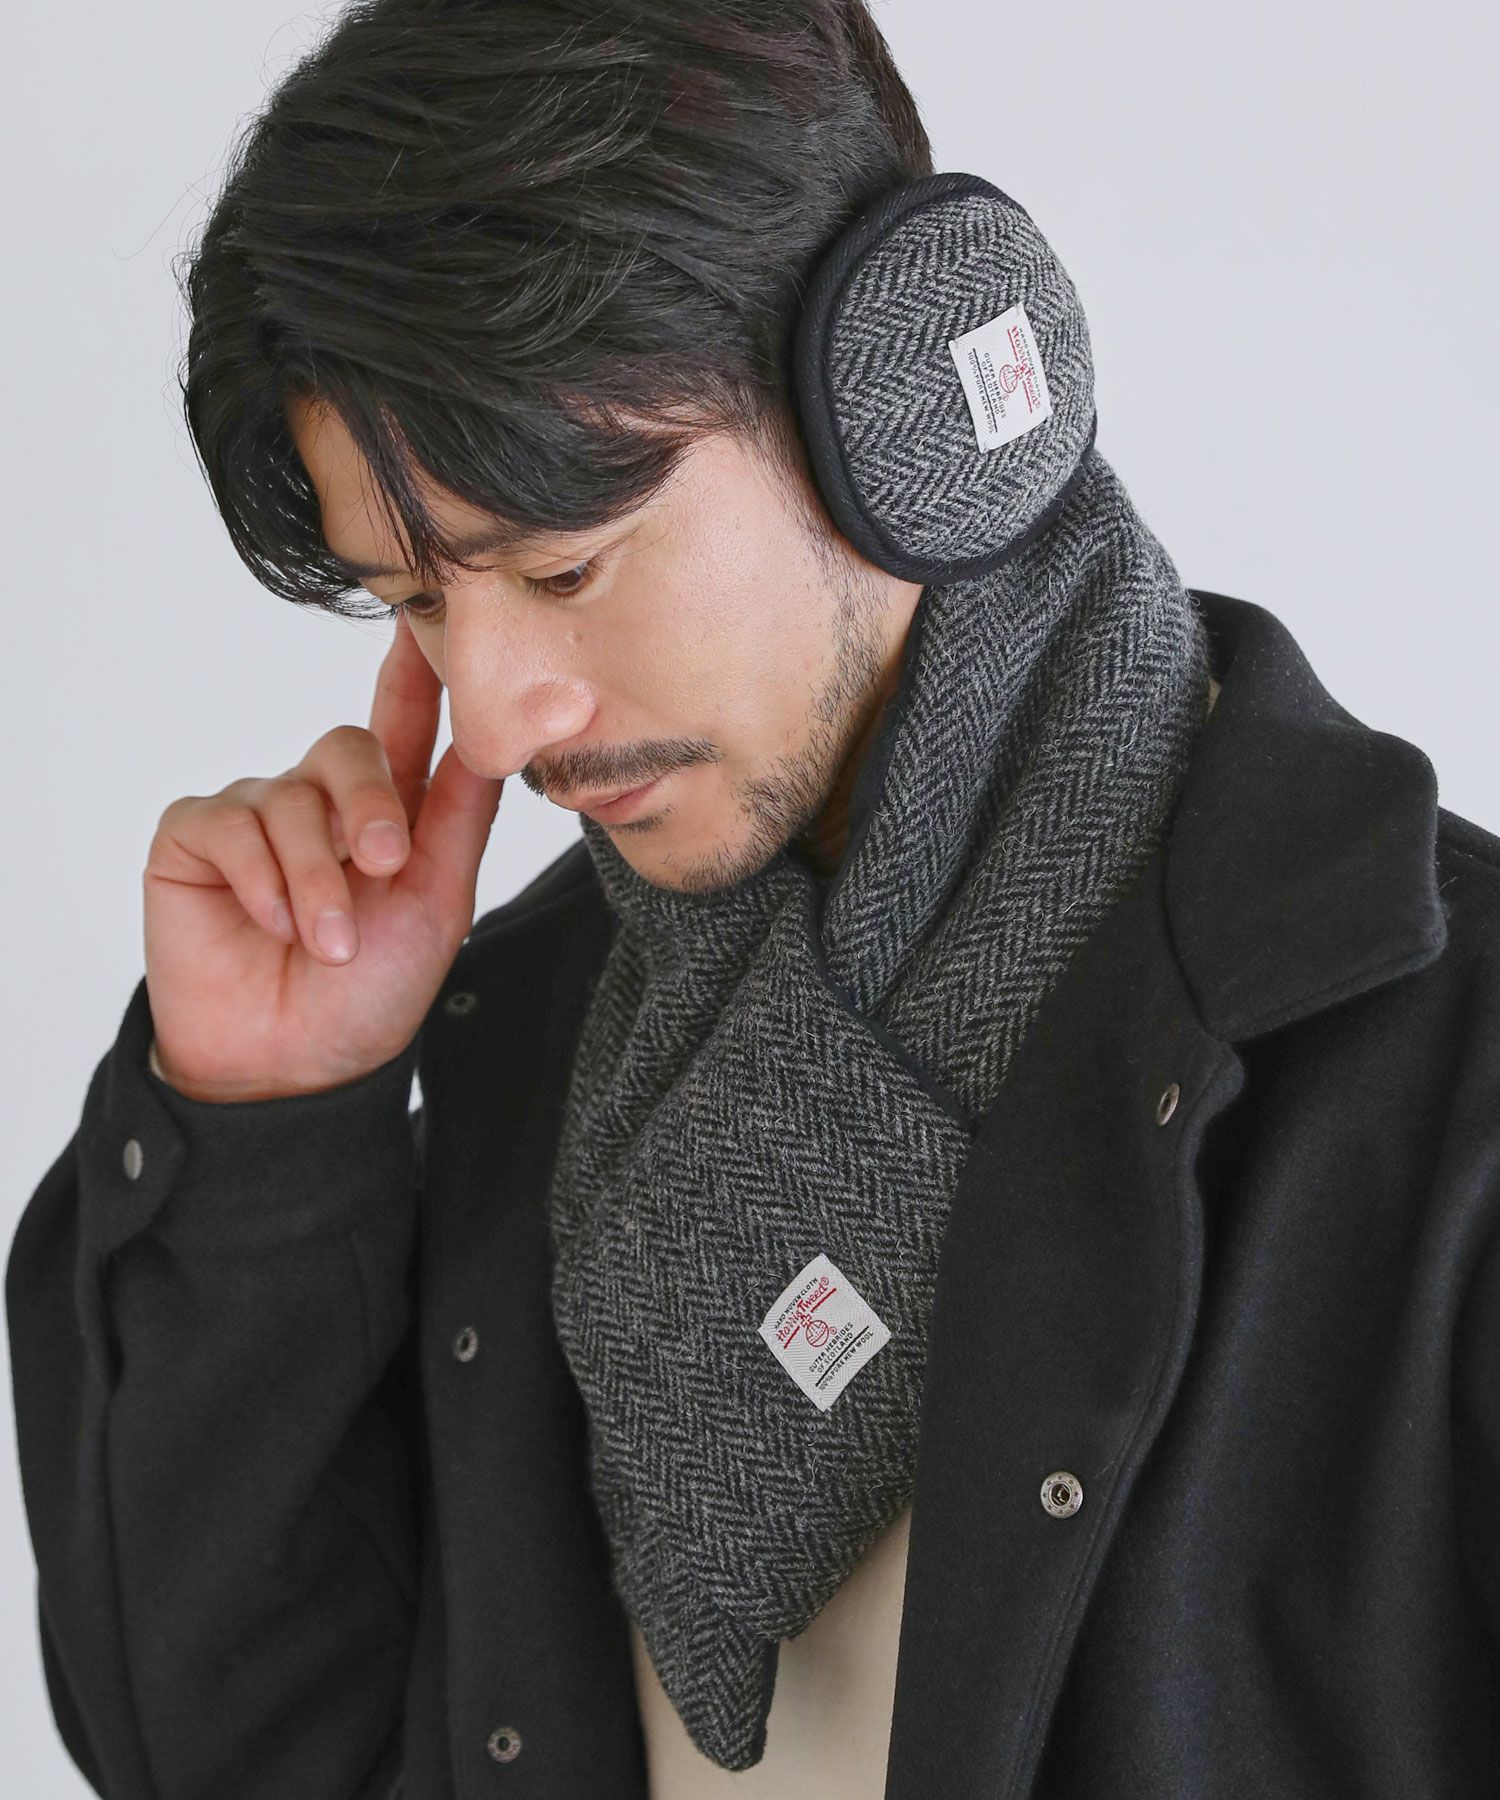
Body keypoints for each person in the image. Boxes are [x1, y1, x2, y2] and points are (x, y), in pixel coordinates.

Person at [8, 2, 1500, 1797]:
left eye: (567, 567)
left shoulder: (1447, 1093)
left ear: (911, 399)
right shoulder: (519, 1041)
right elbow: (237, 1760)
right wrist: (266, 1135)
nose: (495, 719)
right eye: (420, 602)